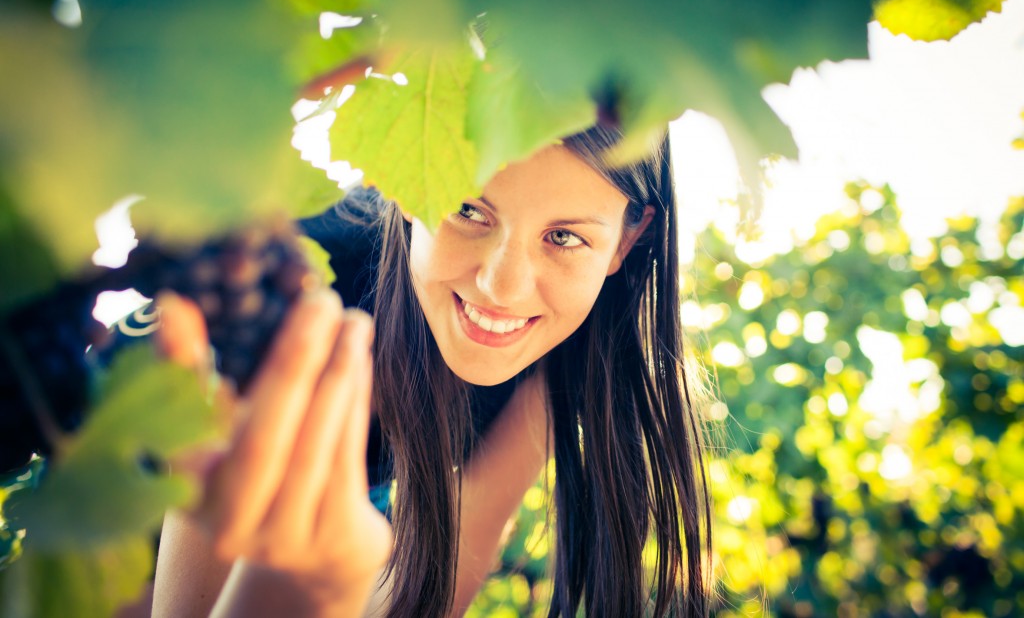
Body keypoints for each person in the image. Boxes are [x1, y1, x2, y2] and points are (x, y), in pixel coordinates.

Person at [146, 125, 712, 617]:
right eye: (468, 209)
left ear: (627, 240)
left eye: (563, 237)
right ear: (408, 189)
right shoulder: (292, 287)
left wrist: (336, 587)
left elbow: (427, 600)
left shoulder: (561, 349)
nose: (502, 288)